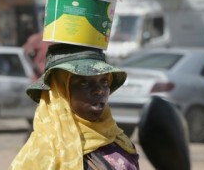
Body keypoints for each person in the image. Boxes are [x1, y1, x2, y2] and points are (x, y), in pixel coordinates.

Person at [9, 43, 139, 170]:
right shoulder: (43, 153)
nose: (99, 90)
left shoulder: (120, 140)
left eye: (104, 81)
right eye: (84, 83)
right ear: (60, 92)